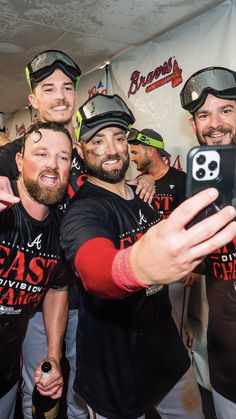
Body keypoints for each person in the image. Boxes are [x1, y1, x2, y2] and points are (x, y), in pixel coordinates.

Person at [60, 93, 236, 419]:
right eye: (97, 141)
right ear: (81, 151)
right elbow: (94, 268)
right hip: (115, 371)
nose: (112, 149)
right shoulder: (83, 211)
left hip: (165, 354)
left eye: (118, 138)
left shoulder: (141, 194)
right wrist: (137, 266)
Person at [0, 51, 154, 419]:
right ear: (32, 100)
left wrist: (146, 178)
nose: (59, 96)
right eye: (47, 88)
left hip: (81, 298)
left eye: (67, 87)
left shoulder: (85, 156)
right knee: (38, 390)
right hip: (31, 302)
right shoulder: (9, 156)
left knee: (77, 386)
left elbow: (112, 181)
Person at [0, 121, 72, 419]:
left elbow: (57, 289)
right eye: (41, 153)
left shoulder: (62, 229)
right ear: (19, 160)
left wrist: (53, 355)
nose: (52, 166)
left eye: (63, 157)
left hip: (4, 373)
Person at [180, 66, 236, 419]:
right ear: (193, 125)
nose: (215, 123)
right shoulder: (197, 187)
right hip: (226, 355)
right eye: (204, 114)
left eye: (226, 110)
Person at [128, 128, 191, 343]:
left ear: (151, 150)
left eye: (136, 152)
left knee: (175, 326)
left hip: (176, 266)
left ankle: (183, 374)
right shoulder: (138, 182)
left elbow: (193, 222)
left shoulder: (181, 180)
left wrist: (192, 264)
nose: (132, 157)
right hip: (147, 266)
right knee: (150, 326)